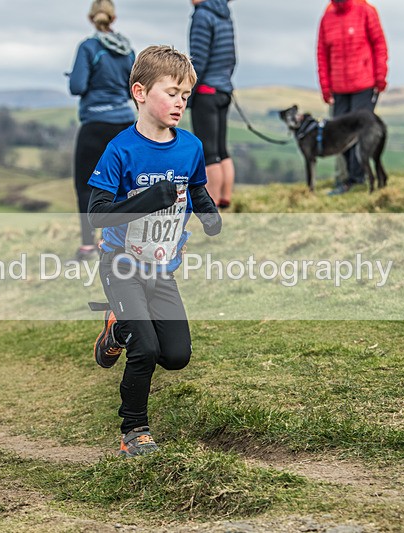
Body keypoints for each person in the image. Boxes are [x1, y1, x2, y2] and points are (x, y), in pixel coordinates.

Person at [87, 45, 222, 457]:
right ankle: (134, 431)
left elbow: (195, 186)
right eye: (172, 92)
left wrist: (209, 213)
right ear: (141, 92)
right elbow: (96, 215)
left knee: (176, 355)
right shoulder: (120, 150)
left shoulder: (190, 147)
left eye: (186, 95)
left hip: (161, 268)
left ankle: (115, 327)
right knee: (144, 347)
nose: (181, 102)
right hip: (120, 264)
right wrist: (147, 199)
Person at [67, 0, 135, 262]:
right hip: (125, 123)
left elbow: (77, 86)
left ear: (91, 17)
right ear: (114, 18)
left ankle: (88, 246)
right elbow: (134, 86)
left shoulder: (89, 47)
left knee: (86, 186)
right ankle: (124, 244)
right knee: (123, 185)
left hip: (95, 124)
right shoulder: (128, 50)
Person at [317, 0, 388, 195]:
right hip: (339, 88)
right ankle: (349, 178)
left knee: (362, 134)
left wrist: (380, 76)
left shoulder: (366, 11)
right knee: (339, 135)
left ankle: (358, 178)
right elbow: (322, 54)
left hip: (364, 84)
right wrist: (325, 86)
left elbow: (379, 44)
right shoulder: (328, 16)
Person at [188, 0, 236, 209]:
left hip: (206, 92)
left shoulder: (202, 16)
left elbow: (198, 61)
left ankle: (211, 204)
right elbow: (231, 57)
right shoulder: (224, 13)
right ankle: (225, 197)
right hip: (223, 89)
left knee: (208, 152)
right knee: (221, 149)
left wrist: (187, 93)